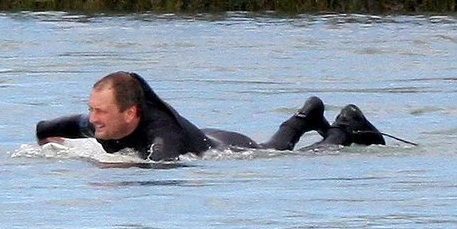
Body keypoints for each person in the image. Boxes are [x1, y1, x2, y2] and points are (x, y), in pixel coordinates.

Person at [35, 71, 388, 161]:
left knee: (280, 156)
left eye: (100, 112)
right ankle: (307, 115)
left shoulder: (162, 136)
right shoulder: (104, 122)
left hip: (225, 148)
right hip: (209, 132)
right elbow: (49, 127)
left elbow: (161, 166)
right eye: (91, 109)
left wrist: (119, 171)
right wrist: (46, 142)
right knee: (274, 147)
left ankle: (344, 127)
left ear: (131, 113)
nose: (93, 119)